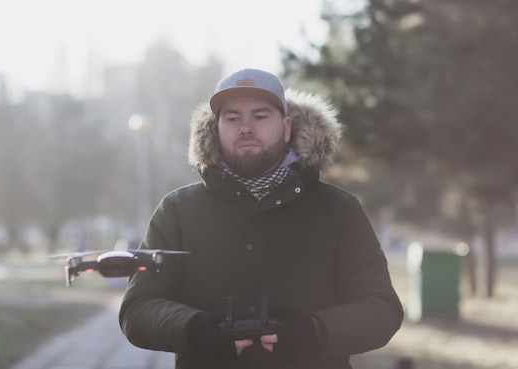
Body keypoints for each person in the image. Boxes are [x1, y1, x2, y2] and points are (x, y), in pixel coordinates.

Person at [119, 68, 404, 368]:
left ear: (286, 127)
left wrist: (317, 330)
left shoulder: (339, 209)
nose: (245, 127)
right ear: (215, 128)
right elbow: (138, 308)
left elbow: (381, 308)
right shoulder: (177, 210)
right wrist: (193, 328)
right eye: (232, 118)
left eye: (260, 116)